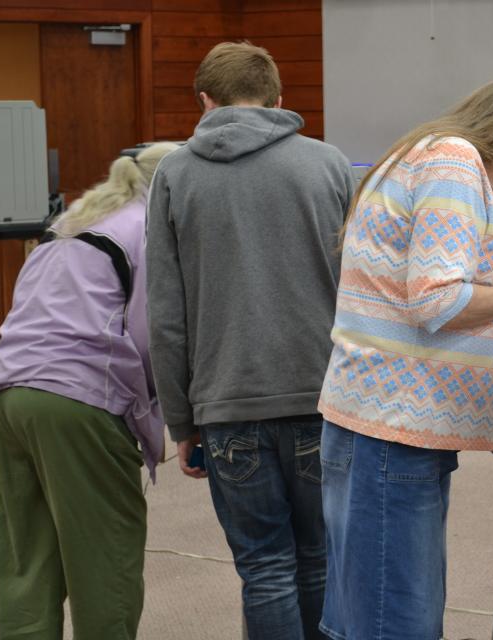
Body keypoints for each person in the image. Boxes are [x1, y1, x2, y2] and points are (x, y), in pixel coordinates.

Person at [317, 75, 493, 640]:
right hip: (393, 429)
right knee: (395, 619)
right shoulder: (453, 162)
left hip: (380, 422)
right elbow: (437, 299)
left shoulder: (425, 154)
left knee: (366, 610)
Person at [146, 42, 353, 640]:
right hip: (323, 399)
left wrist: (181, 423)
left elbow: (166, 314)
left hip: (226, 403)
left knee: (264, 570)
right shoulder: (331, 164)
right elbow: (357, 292)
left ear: (204, 103)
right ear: (279, 102)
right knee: (319, 560)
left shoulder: (175, 173)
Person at [0, 141, 180, 639]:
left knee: (29, 560)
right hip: (76, 402)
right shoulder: (151, 229)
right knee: (104, 560)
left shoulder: (72, 221)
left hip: (6, 393)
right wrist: (174, 417)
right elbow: (153, 336)